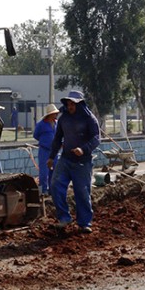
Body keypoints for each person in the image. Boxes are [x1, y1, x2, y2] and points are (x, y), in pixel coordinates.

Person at [47, 90, 100, 234]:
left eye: (73, 104)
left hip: (82, 162)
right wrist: (52, 156)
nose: (70, 106)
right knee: (55, 185)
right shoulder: (64, 119)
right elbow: (58, 138)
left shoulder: (89, 119)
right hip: (65, 159)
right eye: (68, 104)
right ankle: (64, 217)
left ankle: (84, 222)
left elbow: (96, 138)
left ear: (80, 104)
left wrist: (83, 149)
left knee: (82, 192)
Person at [33, 103, 59, 195]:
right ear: (49, 114)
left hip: (54, 152)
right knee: (43, 173)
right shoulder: (41, 124)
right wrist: (45, 142)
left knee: (54, 172)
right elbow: (36, 135)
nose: (56, 115)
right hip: (44, 151)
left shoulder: (56, 123)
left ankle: (51, 191)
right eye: (54, 113)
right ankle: (42, 192)